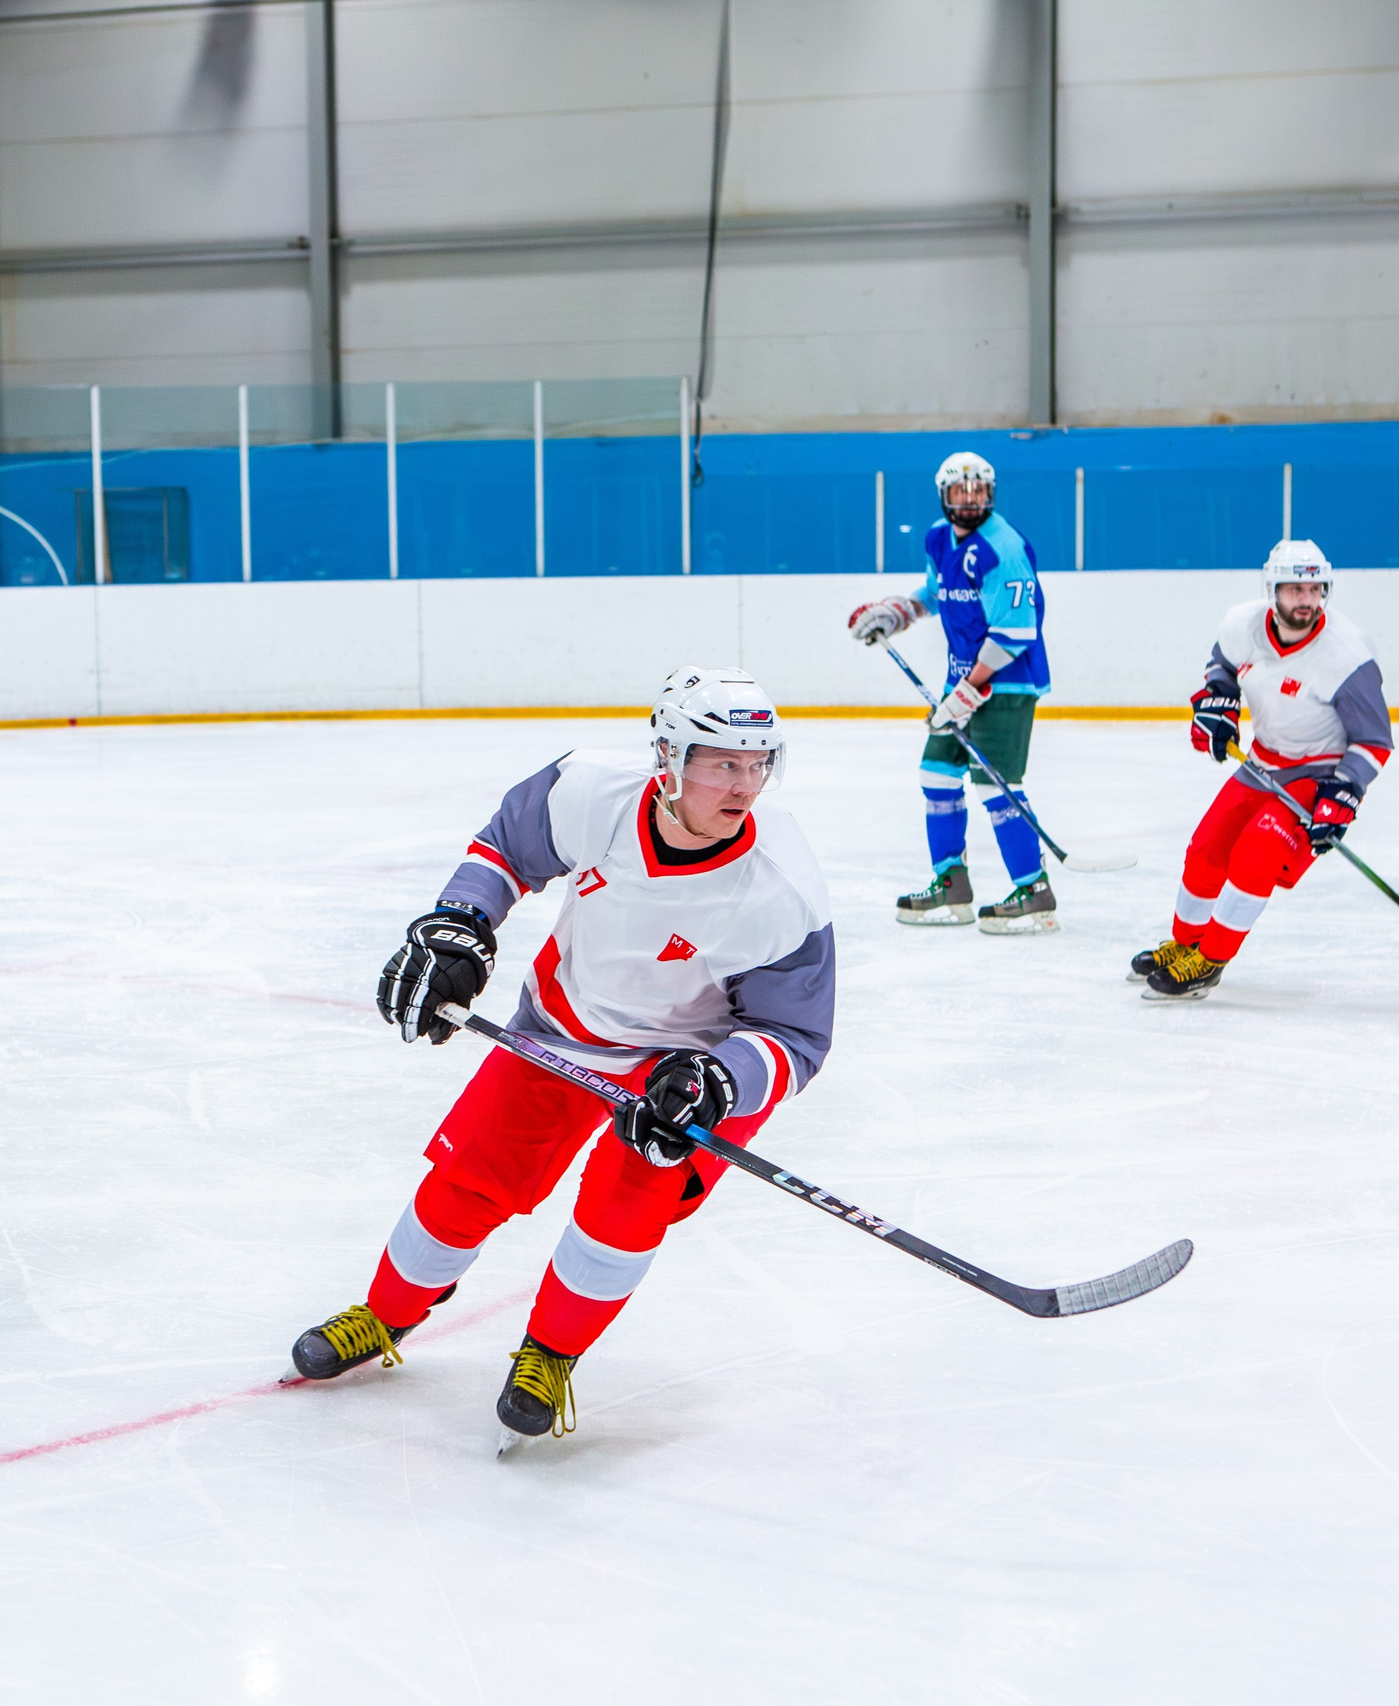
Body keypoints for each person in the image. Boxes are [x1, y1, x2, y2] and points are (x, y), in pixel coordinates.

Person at [288, 667, 835, 1445]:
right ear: (670, 759)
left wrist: (719, 1081)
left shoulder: (780, 887)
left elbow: (794, 1036)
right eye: (723, 763)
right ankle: (383, 1315)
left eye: (758, 764)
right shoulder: (591, 790)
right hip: (556, 1028)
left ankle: (549, 1354)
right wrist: (460, 922)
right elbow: (505, 848)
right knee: (468, 1181)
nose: (745, 784)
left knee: (624, 1208)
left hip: (681, 1073)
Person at [1136, 539, 1394, 1000]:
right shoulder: (1243, 624)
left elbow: (1373, 741)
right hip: (1261, 762)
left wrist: (1343, 794)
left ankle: (1210, 960)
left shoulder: (1347, 654)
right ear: (1272, 589)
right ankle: (1185, 945)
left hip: (1317, 775)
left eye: (1314, 589)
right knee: (1206, 849)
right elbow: (1223, 665)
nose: (1306, 600)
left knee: (1255, 854)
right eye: (1294, 589)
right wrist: (1219, 705)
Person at [843, 450, 1056, 933]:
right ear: (944, 495)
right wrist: (897, 612)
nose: (969, 499)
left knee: (995, 783)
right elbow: (935, 594)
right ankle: (951, 884)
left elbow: (1014, 633)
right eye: (960, 491)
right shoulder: (939, 539)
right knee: (936, 774)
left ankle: (1034, 889)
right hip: (963, 679)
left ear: (990, 493)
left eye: (977, 490)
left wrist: (968, 690)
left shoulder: (1004, 547)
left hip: (1007, 682)